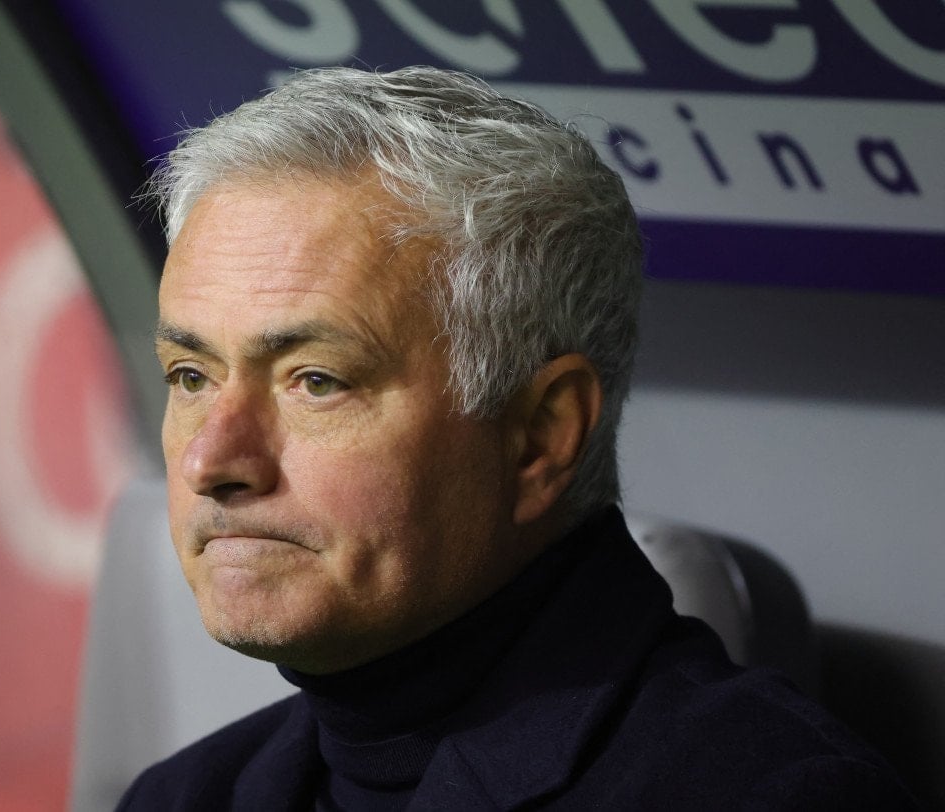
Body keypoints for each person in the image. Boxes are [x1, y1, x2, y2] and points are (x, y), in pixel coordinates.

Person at [117, 66, 917, 810]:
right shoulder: (182, 798)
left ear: (540, 436)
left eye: (317, 381)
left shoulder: (773, 794)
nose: (211, 460)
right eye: (191, 376)